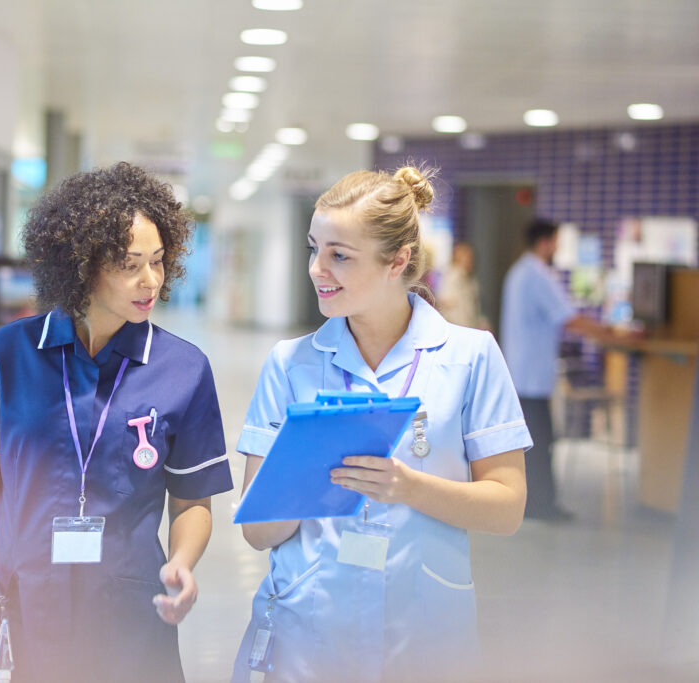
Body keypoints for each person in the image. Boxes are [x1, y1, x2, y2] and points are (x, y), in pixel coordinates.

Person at [0, 162, 234, 683]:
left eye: (157, 261)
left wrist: (181, 561)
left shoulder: (183, 369)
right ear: (82, 265)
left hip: (131, 618)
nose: (150, 280)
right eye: (131, 265)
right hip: (24, 612)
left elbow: (193, 499)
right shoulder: (8, 355)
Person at [233, 167, 532, 682]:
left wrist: (409, 487)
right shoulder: (290, 364)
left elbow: (507, 508)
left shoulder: (471, 357)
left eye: (339, 255)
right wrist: (302, 472)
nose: (317, 269)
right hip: (307, 632)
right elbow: (258, 532)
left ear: (398, 261)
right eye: (314, 248)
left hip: (424, 634)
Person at [500, 218, 611, 521]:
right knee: (540, 445)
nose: (558, 247)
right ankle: (540, 506)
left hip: (522, 373)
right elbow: (569, 318)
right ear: (546, 242)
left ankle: (535, 504)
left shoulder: (520, 271)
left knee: (534, 444)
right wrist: (610, 333)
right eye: (556, 241)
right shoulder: (536, 274)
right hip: (531, 377)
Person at [437, 241, 489, 329]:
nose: (469, 260)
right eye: (465, 256)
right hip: (457, 330)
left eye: (470, 257)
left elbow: (475, 310)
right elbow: (445, 303)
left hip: (469, 329)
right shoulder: (451, 278)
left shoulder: (471, 281)